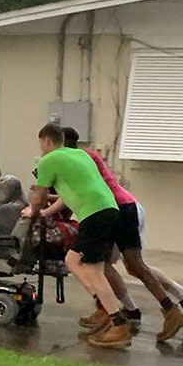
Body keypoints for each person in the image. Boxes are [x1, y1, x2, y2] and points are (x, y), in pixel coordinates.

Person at [61, 127, 183, 341]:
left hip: (115, 209)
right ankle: (170, 307)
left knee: (104, 264)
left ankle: (118, 312)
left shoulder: (77, 159)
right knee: (132, 265)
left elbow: (86, 189)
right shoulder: (86, 155)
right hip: (124, 205)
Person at [30, 123, 131, 349]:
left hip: (94, 214)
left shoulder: (48, 160)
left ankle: (118, 323)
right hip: (108, 210)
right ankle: (104, 306)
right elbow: (69, 193)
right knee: (72, 260)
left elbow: (38, 195)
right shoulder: (79, 156)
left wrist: (34, 213)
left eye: (40, 143)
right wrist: (46, 211)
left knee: (94, 270)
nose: (41, 148)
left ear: (46, 140)